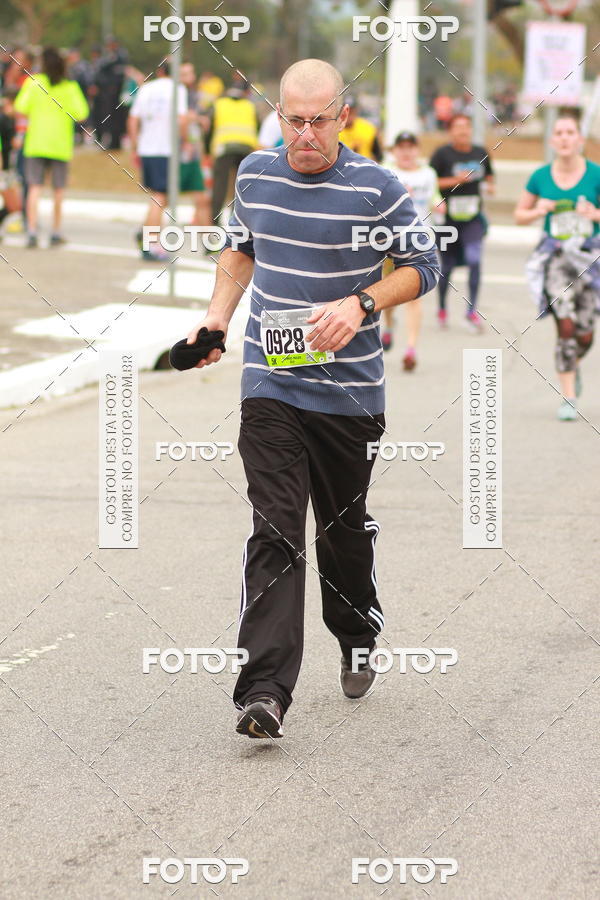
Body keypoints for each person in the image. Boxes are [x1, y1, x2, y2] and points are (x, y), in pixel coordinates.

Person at [185, 58, 440, 739]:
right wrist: (217, 318)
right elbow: (240, 248)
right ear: (278, 116)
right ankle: (264, 691)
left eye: (318, 121)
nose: (304, 134)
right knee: (274, 530)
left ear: (343, 118)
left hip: (350, 397)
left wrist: (362, 304)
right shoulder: (255, 175)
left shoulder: (376, 187)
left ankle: (357, 631)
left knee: (341, 534)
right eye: (293, 121)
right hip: (271, 384)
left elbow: (424, 265)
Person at [515, 113, 600, 421]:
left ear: (579, 139)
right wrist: (539, 209)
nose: (564, 138)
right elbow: (519, 215)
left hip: (589, 259)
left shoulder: (596, 174)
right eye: (559, 133)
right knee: (565, 324)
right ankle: (569, 396)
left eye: (570, 133)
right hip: (556, 259)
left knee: (585, 334)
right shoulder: (540, 176)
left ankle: (572, 365)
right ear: (552, 141)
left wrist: (594, 214)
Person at [14, 47, 89, 248]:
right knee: (58, 190)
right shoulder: (70, 86)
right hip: (60, 143)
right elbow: (82, 113)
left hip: (36, 141)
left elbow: (20, 107)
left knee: (34, 187)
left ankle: (31, 231)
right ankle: (55, 231)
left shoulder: (33, 82)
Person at [381, 131, 444, 369]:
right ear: (395, 151)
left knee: (414, 295)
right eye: (401, 147)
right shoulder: (385, 170)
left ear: (417, 150)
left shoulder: (428, 173)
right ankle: (389, 325)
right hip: (389, 240)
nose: (406, 152)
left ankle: (411, 348)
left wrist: (439, 205)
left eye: (410, 147)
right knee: (388, 294)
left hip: (419, 239)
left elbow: (434, 197)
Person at [429, 114, 495, 332]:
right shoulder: (442, 154)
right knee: (447, 267)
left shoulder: (480, 153)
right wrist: (456, 180)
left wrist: (490, 186)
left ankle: (471, 311)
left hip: (472, 218)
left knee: (475, 260)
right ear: (450, 131)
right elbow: (431, 182)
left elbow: (489, 177)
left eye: (466, 126)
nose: (463, 131)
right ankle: (442, 307)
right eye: (458, 127)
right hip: (447, 220)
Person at [127, 61, 187, 261]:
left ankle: (145, 231)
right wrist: (184, 141)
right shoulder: (178, 89)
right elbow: (182, 120)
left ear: (160, 71)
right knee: (160, 197)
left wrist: (135, 145)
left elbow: (133, 119)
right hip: (167, 149)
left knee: (159, 196)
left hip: (147, 148)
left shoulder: (146, 88)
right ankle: (150, 242)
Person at [207, 79, 258, 224]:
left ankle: (215, 222)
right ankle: (236, 221)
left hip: (223, 148)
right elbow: (258, 127)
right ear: (246, 92)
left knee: (220, 186)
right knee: (241, 186)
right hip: (246, 148)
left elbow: (209, 130)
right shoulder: (250, 105)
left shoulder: (219, 104)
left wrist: (207, 151)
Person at [179, 61, 211, 230]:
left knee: (201, 195)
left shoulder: (192, 94)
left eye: (191, 73)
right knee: (162, 195)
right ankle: (146, 232)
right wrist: (199, 119)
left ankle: (208, 237)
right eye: (185, 74)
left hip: (192, 151)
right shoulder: (179, 93)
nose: (190, 77)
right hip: (181, 151)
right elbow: (186, 118)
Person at [338, 96, 382, 161]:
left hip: (365, 164)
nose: (349, 114)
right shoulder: (334, 128)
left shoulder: (367, 128)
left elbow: (378, 155)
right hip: (341, 165)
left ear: (356, 111)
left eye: (352, 111)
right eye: (347, 111)